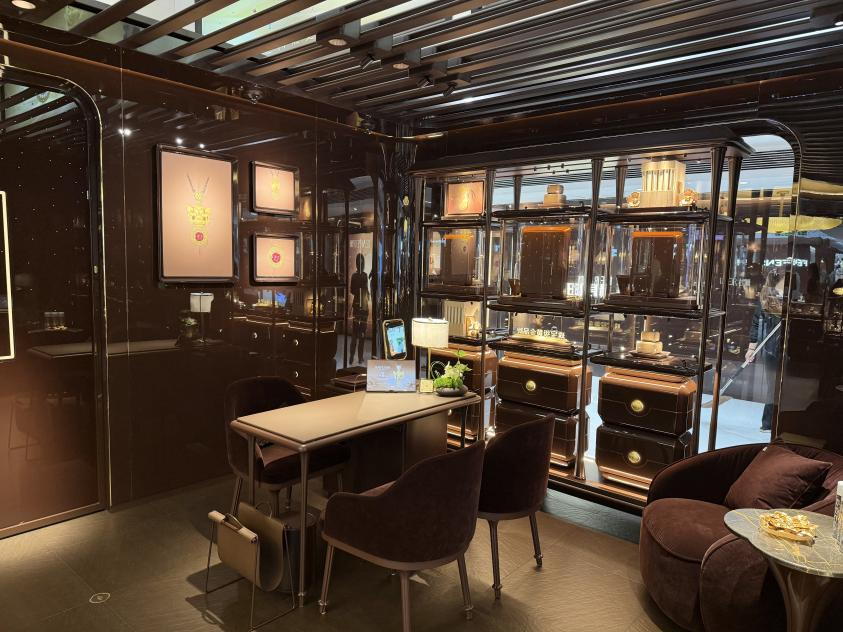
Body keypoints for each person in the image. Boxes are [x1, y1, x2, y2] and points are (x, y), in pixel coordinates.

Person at [746, 270, 785, 431]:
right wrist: (751, 348)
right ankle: (769, 423)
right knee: (773, 386)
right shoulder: (767, 299)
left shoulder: (781, 298)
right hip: (772, 348)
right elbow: (756, 323)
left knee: (777, 386)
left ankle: (772, 423)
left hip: (778, 348)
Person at [349, 253, 370, 366]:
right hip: (360, 305)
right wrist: (362, 292)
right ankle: (355, 356)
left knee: (358, 333)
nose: (361, 264)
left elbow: (354, 290)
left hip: (361, 305)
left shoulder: (359, 276)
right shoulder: (360, 276)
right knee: (358, 333)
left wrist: (362, 292)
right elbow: (354, 290)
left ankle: (356, 357)